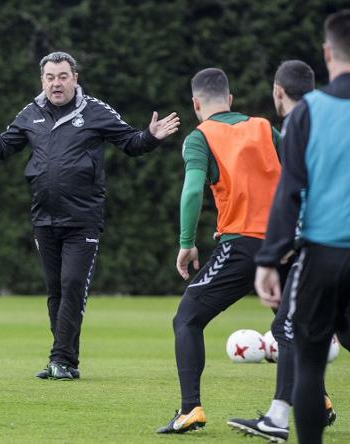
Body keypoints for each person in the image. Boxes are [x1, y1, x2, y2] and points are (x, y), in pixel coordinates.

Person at [0, 51, 180, 380]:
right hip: (44, 219)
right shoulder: (31, 113)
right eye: (50, 77)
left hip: (83, 220)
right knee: (56, 290)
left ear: (75, 78)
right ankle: (66, 361)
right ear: (42, 80)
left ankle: (60, 358)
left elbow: (131, 142)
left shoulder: (95, 111)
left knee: (72, 285)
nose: (56, 83)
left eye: (63, 76)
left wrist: (151, 136)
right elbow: (2, 146)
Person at [157, 68, 282, 434]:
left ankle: (190, 409)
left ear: (196, 104)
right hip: (285, 244)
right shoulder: (264, 127)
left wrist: (185, 243)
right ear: (230, 99)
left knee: (187, 319)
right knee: (292, 323)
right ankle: (317, 399)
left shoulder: (200, 137)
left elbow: (193, 191)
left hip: (241, 244)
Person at [253, 10, 350, 444]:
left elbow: (289, 190)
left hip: (323, 253)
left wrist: (269, 259)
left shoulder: (308, 111)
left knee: (310, 361)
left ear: (327, 52)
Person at [227, 60, 336, 442]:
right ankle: (282, 413)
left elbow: (294, 193)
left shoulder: (296, 126)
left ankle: (278, 418)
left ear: (277, 91)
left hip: (320, 249)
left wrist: (276, 250)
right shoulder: (334, 116)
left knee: (287, 328)